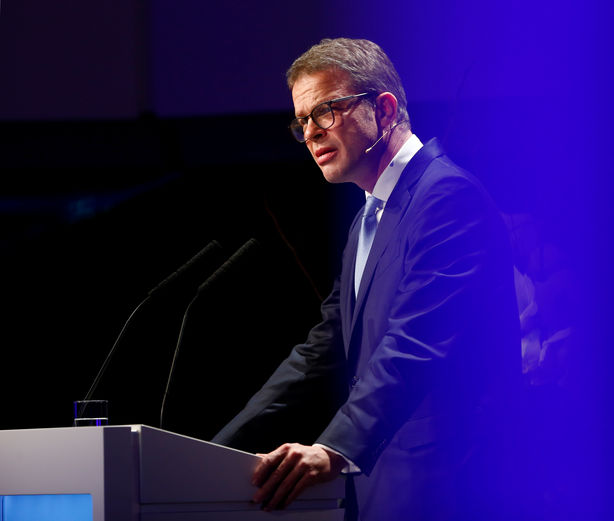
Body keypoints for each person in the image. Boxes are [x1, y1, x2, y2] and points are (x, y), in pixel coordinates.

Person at [212, 38, 521, 521]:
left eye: (326, 112)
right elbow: (323, 348)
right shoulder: (368, 219)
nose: (311, 134)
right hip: (384, 486)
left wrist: (332, 448)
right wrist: (218, 446)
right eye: (301, 122)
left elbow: (417, 344)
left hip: (449, 486)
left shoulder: (445, 198)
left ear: (384, 108)